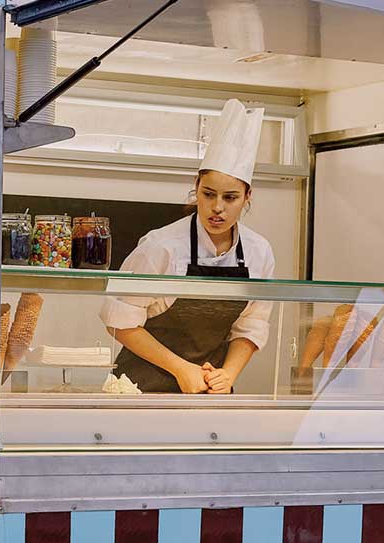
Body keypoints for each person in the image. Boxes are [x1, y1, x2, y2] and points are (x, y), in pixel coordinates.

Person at [102, 98, 279, 394]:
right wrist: (181, 369)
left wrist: (227, 375)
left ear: (248, 196)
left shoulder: (258, 252)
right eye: (208, 194)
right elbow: (119, 321)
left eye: (230, 197)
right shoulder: (161, 246)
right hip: (140, 388)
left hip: (210, 389)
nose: (217, 207)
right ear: (195, 187)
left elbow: (252, 325)